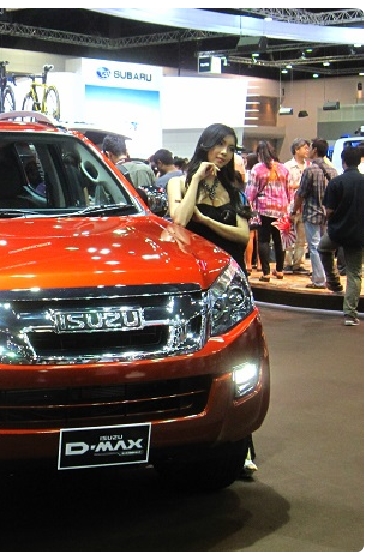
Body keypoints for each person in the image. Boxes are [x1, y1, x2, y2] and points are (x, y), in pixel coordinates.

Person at [166, 123, 257, 476]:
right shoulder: (178, 182)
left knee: (239, 361)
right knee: (197, 358)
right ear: (205, 145)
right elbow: (178, 220)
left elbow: (243, 235)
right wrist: (196, 183)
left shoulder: (234, 188)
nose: (224, 152)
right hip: (196, 281)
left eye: (230, 147)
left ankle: (240, 445)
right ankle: (188, 439)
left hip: (230, 279)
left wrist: (206, 220)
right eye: (219, 144)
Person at [317, 145, 364, 325]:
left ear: (343, 161)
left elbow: (328, 211)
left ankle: (333, 281)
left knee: (323, 248)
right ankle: (350, 315)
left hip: (337, 231)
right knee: (354, 273)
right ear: (359, 161)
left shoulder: (336, 182)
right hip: (359, 233)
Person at [292, 140, 338, 290]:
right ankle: (328, 276)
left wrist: (294, 210)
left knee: (314, 246)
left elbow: (301, 194)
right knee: (326, 248)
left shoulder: (310, 170)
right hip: (328, 214)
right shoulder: (332, 170)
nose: (309, 150)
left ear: (315, 150)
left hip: (312, 212)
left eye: (311, 148)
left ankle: (319, 279)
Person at [248, 141, 290, 282]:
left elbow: (251, 192)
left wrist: (249, 205)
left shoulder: (257, 169)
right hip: (281, 209)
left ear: (259, 153)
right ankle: (280, 270)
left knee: (264, 239)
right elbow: (288, 190)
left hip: (264, 208)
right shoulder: (283, 168)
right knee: (279, 240)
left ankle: (266, 273)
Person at [282, 138, 311, 274]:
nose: (307, 150)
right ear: (296, 149)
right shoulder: (286, 166)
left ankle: (299, 263)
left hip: (305, 206)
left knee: (302, 237)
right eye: (304, 148)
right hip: (290, 205)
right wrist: (298, 186)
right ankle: (288, 262)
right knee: (288, 235)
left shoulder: (309, 166)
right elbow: (283, 185)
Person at [243, 153, 259, 274]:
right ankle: (260, 263)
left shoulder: (247, 174)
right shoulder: (261, 171)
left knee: (250, 235)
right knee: (261, 236)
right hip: (261, 205)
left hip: (250, 205)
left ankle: (248, 264)